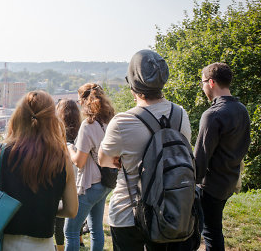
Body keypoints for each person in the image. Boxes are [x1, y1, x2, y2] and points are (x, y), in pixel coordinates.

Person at [99, 50, 195, 250]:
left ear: (132, 85)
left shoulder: (123, 121)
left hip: (129, 214)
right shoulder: (181, 114)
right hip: (171, 209)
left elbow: (105, 160)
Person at [0, 91, 78, 250]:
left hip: (5, 242)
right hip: (43, 245)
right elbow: (71, 210)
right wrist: (44, 208)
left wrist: (6, 207)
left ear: (18, 116)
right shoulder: (63, 159)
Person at [195, 63, 250, 251]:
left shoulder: (212, 115)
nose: (202, 87)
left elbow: (200, 159)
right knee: (214, 229)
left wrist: (189, 186)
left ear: (211, 82)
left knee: (210, 233)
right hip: (230, 180)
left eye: (202, 82)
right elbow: (244, 145)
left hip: (210, 187)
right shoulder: (241, 109)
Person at [65, 83, 115, 251]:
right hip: (106, 182)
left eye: (79, 101)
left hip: (91, 183)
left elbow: (79, 161)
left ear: (85, 101)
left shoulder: (89, 125)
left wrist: (70, 148)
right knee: (96, 229)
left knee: (70, 231)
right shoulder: (110, 121)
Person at [55, 99, 81, 251]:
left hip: (63, 173)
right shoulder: (82, 129)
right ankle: (80, 239)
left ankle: (60, 247)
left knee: (59, 218)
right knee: (75, 212)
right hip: (78, 175)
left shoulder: (58, 131)